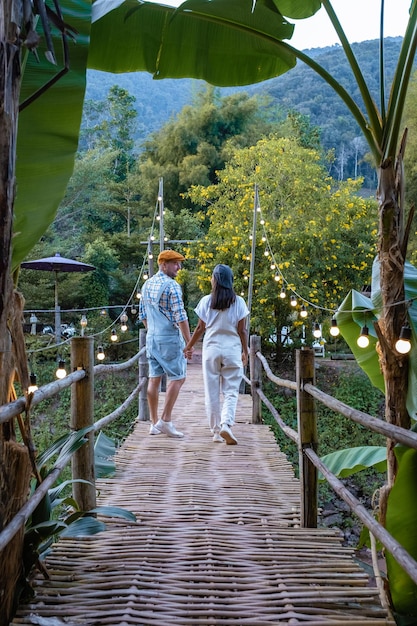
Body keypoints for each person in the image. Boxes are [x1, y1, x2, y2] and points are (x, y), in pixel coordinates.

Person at [184, 264, 249, 444]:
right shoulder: (239, 302)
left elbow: (199, 328)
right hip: (232, 349)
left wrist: (188, 346)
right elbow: (242, 331)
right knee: (231, 391)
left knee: (211, 392)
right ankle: (226, 424)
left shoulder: (206, 301)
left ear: (215, 280)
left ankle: (216, 431)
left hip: (211, 349)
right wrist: (246, 351)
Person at [139, 249, 193, 438]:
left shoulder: (146, 285)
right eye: (175, 263)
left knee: (154, 378)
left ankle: (154, 423)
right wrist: (189, 342)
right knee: (178, 377)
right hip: (168, 339)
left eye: (179, 263)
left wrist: (154, 330)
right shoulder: (172, 286)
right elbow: (181, 317)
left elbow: (143, 316)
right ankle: (166, 420)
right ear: (163, 264)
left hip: (151, 338)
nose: (178, 267)